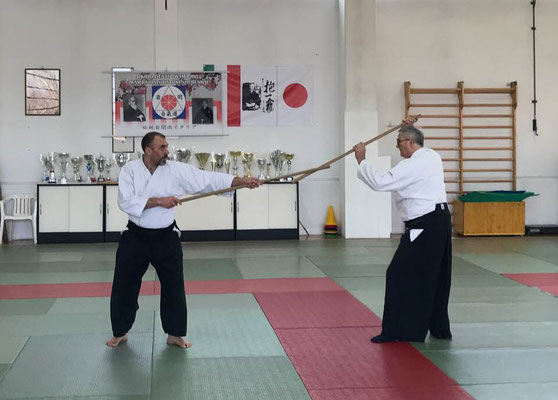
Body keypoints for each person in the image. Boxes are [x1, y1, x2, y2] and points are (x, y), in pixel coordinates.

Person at [106, 131, 260, 349]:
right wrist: (159, 201)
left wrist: (239, 181)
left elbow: (207, 179)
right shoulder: (130, 170)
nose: (166, 151)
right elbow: (126, 201)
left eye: (167, 146)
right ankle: (120, 331)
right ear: (148, 150)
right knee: (124, 286)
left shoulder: (175, 169)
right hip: (136, 237)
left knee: (174, 286)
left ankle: (175, 334)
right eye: (162, 147)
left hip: (165, 236)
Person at [353, 119, 452, 343]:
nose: (397, 147)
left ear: (410, 142)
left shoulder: (413, 165)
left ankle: (400, 331)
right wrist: (404, 122)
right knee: (435, 276)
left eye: (399, 142)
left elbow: (380, 182)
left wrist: (362, 161)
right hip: (439, 222)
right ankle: (438, 327)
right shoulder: (431, 156)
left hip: (426, 225)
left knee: (398, 274)